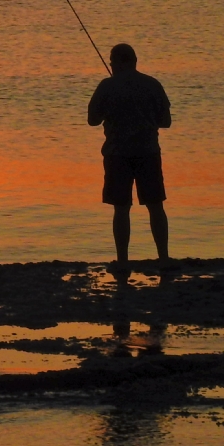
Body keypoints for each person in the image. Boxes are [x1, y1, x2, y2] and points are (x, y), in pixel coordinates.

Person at [87, 43, 173, 274]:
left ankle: (123, 262)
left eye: (113, 63)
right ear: (135, 61)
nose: (112, 66)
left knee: (121, 208)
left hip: (117, 154)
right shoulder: (152, 84)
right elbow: (166, 122)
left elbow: (92, 120)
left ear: (117, 62)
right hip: (148, 152)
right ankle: (163, 259)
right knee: (156, 206)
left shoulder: (106, 86)